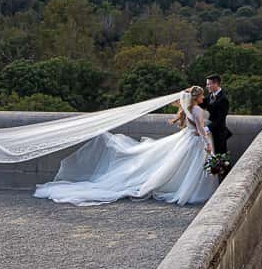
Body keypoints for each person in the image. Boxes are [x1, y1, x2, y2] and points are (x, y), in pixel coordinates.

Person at [30, 86, 217, 206]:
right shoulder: (198, 110)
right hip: (194, 141)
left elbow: (187, 102)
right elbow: (200, 129)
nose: (204, 97)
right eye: (202, 95)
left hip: (186, 138)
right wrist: (207, 143)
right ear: (198, 97)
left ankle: (184, 190)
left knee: (181, 166)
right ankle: (190, 192)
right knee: (191, 168)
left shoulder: (188, 108)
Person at [203, 75, 232, 156]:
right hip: (211, 132)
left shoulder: (223, 99)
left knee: (220, 156)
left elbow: (220, 119)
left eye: (209, 84)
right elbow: (201, 104)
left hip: (219, 133)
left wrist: (207, 128)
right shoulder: (210, 96)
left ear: (216, 84)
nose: (207, 86)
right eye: (207, 84)